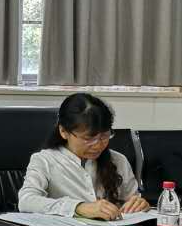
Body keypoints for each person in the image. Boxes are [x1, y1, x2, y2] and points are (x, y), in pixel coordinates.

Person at [18, 92, 146, 218]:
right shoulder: (45, 160)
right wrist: (78, 207)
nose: (98, 145)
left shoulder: (118, 160)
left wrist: (138, 204)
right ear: (63, 131)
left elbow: (131, 200)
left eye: (104, 136)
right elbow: (26, 201)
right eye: (88, 138)